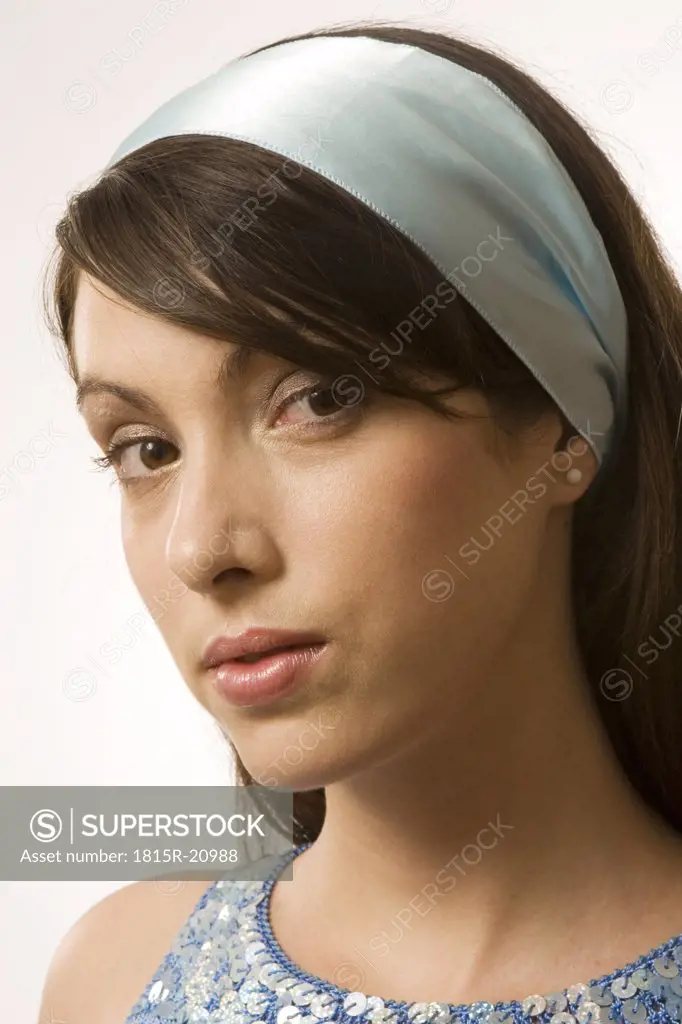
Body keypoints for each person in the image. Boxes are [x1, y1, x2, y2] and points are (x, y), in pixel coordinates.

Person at [38, 20, 682, 1024]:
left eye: (320, 397)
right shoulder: (110, 981)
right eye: (145, 450)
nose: (203, 548)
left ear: (562, 420)